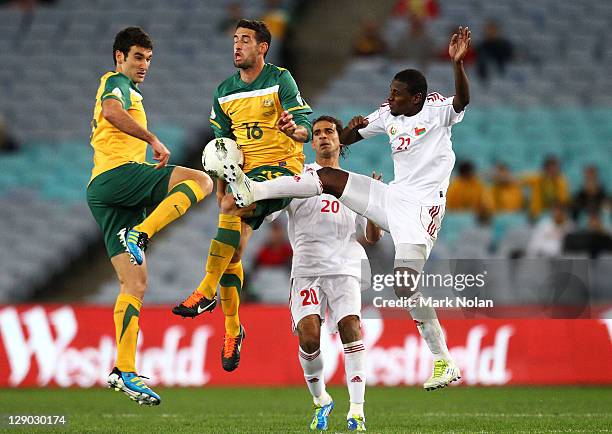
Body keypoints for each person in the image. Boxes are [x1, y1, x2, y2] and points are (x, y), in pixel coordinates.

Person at [225, 26, 472, 390]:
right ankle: (254, 189)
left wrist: (457, 64)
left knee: (405, 286)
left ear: (416, 97)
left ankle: (442, 360)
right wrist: (340, 131)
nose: (390, 99)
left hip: (422, 211)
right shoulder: (389, 113)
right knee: (326, 176)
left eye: (397, 94)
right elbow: (349, 135)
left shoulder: (436, 109)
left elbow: (462, 101)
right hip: (393, 196)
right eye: (390, 92)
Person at [171, 20, 312, 373]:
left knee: (232, 208)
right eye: (235, 40)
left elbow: (305, 126)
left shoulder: (281, 79)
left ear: (263, 47)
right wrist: (221, 182)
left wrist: (293, 129)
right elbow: (222, 147)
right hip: (243, 179)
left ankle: (205, 291)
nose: (237, 45)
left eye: (245, 40)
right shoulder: (223, 93)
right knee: (233, 250)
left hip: (281, 171)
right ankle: (233, 330)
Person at [86, 27, 213, 405]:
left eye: (148, 60)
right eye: (138, 57)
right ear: (119, 57)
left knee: (135, 284)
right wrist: (152, 139)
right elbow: (111, 111)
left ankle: (124, 370)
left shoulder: (128, 88)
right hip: (117, 175)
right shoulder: (116, 83)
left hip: (106, 193)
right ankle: (140, 234)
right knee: (201, 181)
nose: (144, 65)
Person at [279, 116, 381, 431]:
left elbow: (373, 237)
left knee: (351, 327)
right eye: (318, 133)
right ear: (312, 143)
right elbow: (270, 212)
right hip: (307, 269)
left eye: (330, 131)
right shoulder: (298, 178)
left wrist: (374, 205)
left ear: (339, 140)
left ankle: (357, 411)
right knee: (309, 338)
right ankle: (321, 399)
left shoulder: (357, 182)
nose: (323, 137)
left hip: (345, 267)